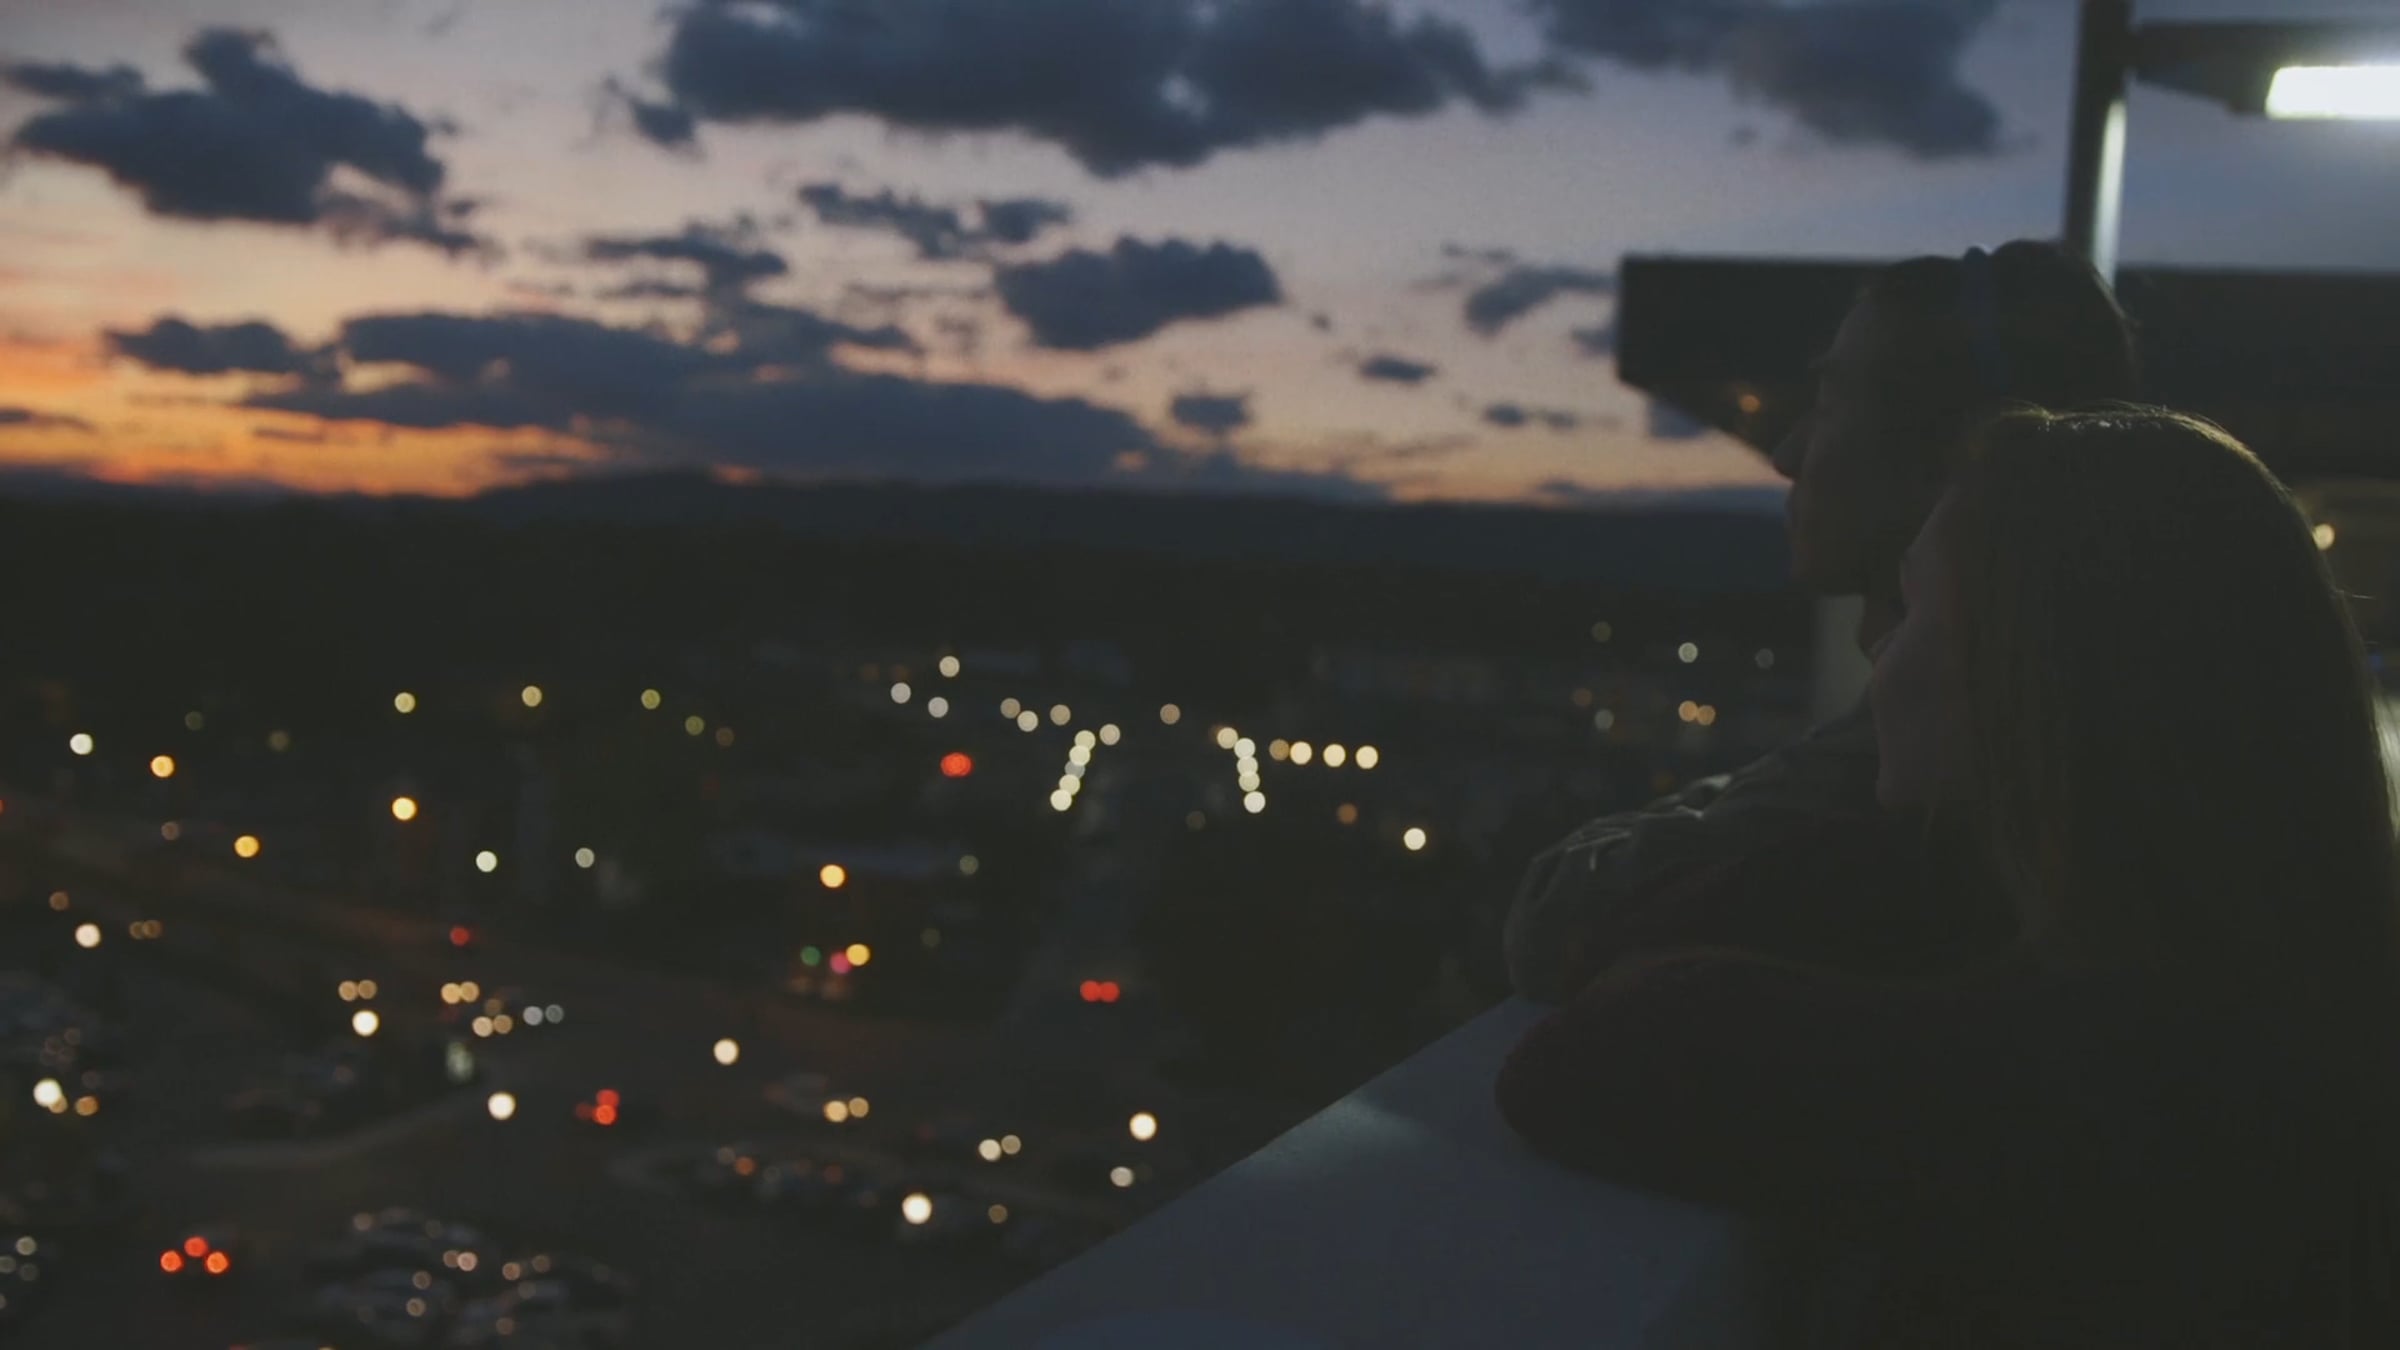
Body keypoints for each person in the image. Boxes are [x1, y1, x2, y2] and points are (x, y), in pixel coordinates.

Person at [1495, 408, 2400, 1346]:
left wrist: (1913, 855)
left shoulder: (2087, 1090)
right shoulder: (2273, 1029)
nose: (1878, 653)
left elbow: (1583, 1059)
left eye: (1912, 607)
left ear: (2028, 673)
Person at [1502, 241, 2139, 1003]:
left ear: (1960, 455)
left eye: (1834, 403)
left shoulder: (1918, 776)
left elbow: (1558, 915)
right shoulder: (2073, 730)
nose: (1786, 452)